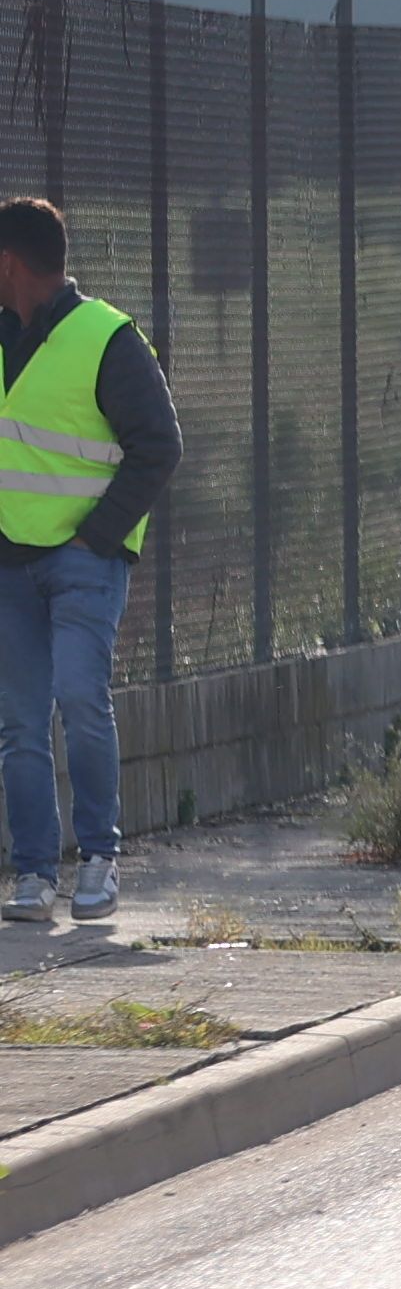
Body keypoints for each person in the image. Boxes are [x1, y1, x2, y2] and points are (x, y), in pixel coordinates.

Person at [0, 199, 180, 925]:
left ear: (9, 262)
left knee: (78, 700)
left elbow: (159, 446)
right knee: (18, 724)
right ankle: (35, 874)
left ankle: (99, 860)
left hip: (83, 562)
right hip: (11, 568)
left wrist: (97, 537)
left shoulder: (107, 339)